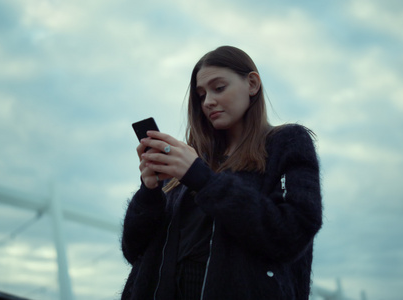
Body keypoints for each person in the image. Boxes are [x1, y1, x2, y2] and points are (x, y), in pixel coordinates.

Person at [121, 46, 322, 300]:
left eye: (219, 88)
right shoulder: (187, 162)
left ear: (252, 84)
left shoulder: (287, 142)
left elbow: (293, 231)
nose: (207, 102)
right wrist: (149, 192)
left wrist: (202, 179)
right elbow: (133, 251)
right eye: (201, 95)